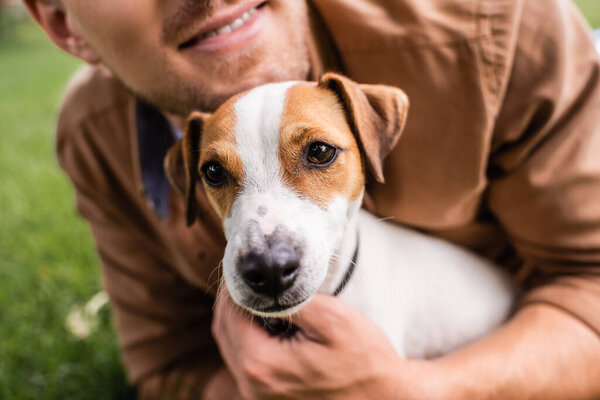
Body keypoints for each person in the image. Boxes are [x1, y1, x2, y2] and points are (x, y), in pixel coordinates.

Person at [23, 0, 600, 399]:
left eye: (319, 155)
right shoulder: (96, 137)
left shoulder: (492, 25)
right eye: (219, 174)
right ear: (62, 23)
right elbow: (167, 367)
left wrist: (416, 390)